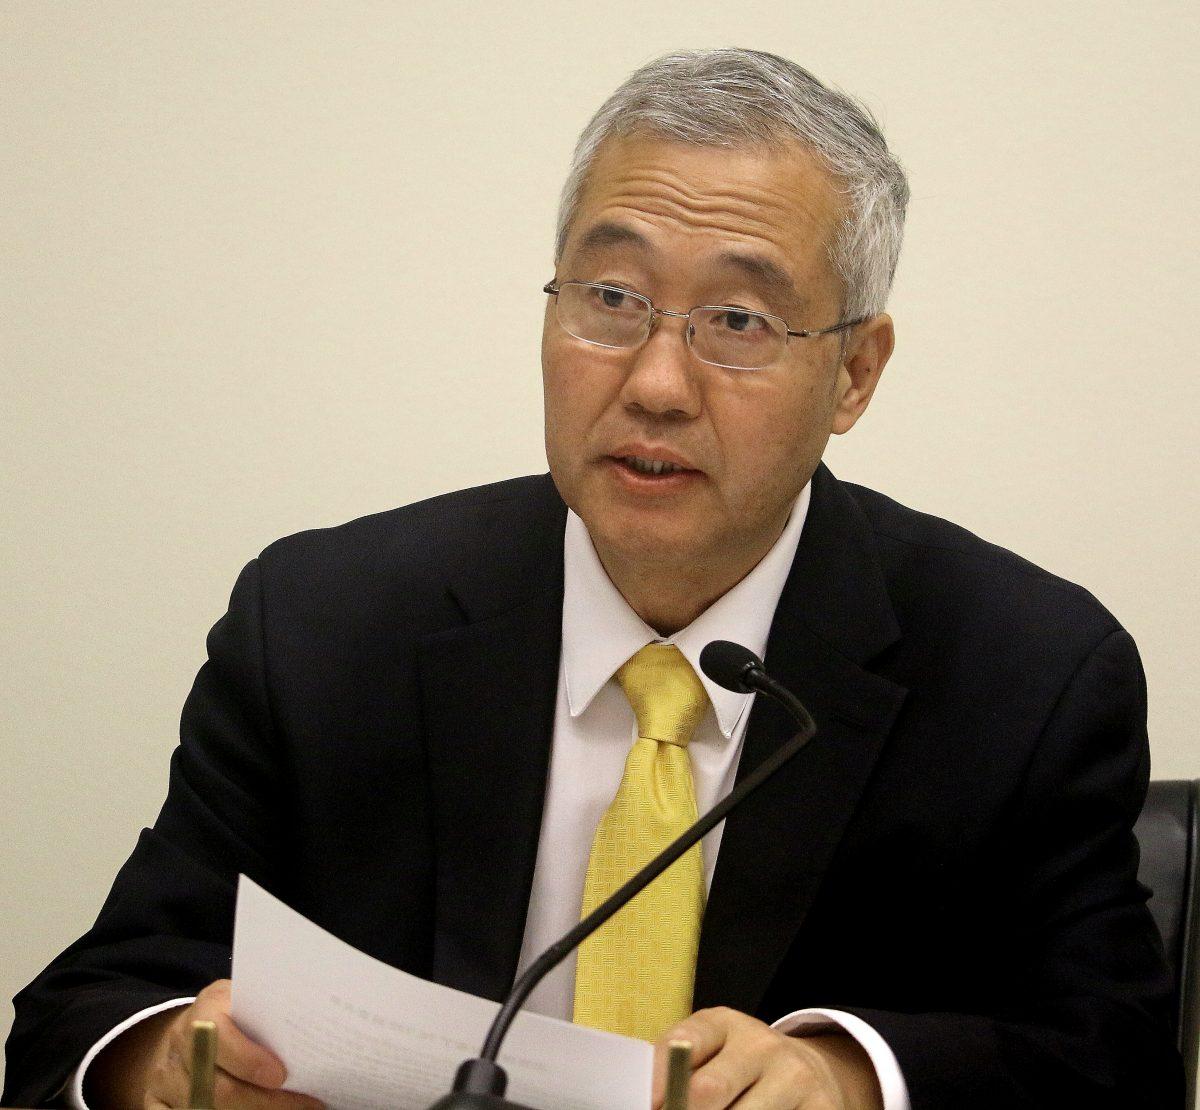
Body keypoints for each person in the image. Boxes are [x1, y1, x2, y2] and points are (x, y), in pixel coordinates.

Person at [4, 48, 1183, 1110]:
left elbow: (1113, 1055)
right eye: (612, 301)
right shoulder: (321, 625)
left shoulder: (1023, 672)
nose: (658, 382)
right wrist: (159, 1067)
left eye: (736, 319)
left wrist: (853, 1078)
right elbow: (86, 1012)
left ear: (856, 374)